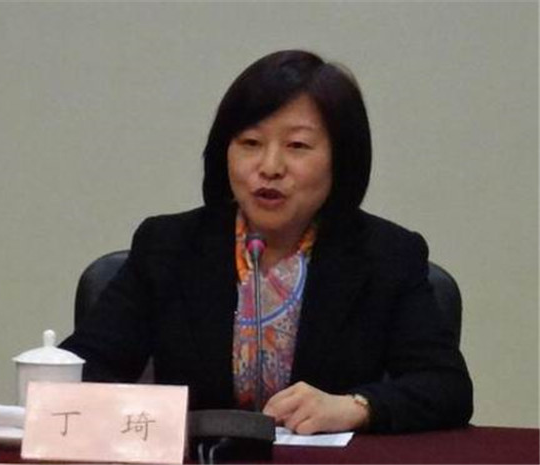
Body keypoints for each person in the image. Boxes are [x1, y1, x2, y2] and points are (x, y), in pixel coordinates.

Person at [60, 50, 473, 434]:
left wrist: (355, 406)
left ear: (341, 159)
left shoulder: (386, 255)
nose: (270, 167)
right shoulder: (169, 246)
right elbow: (83, 371)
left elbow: (446, 387)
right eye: (250, 143)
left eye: (297, 146)